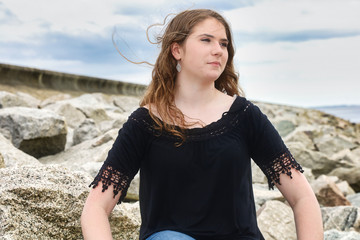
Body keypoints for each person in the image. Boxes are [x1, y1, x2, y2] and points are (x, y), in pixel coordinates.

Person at [81, 9, 323, 240]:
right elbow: (96, 208)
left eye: (224, 43)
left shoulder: (245, 116)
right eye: (206, 40)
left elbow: (302, 197)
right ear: (177, 50)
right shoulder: (146, 123)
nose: (218, 50)